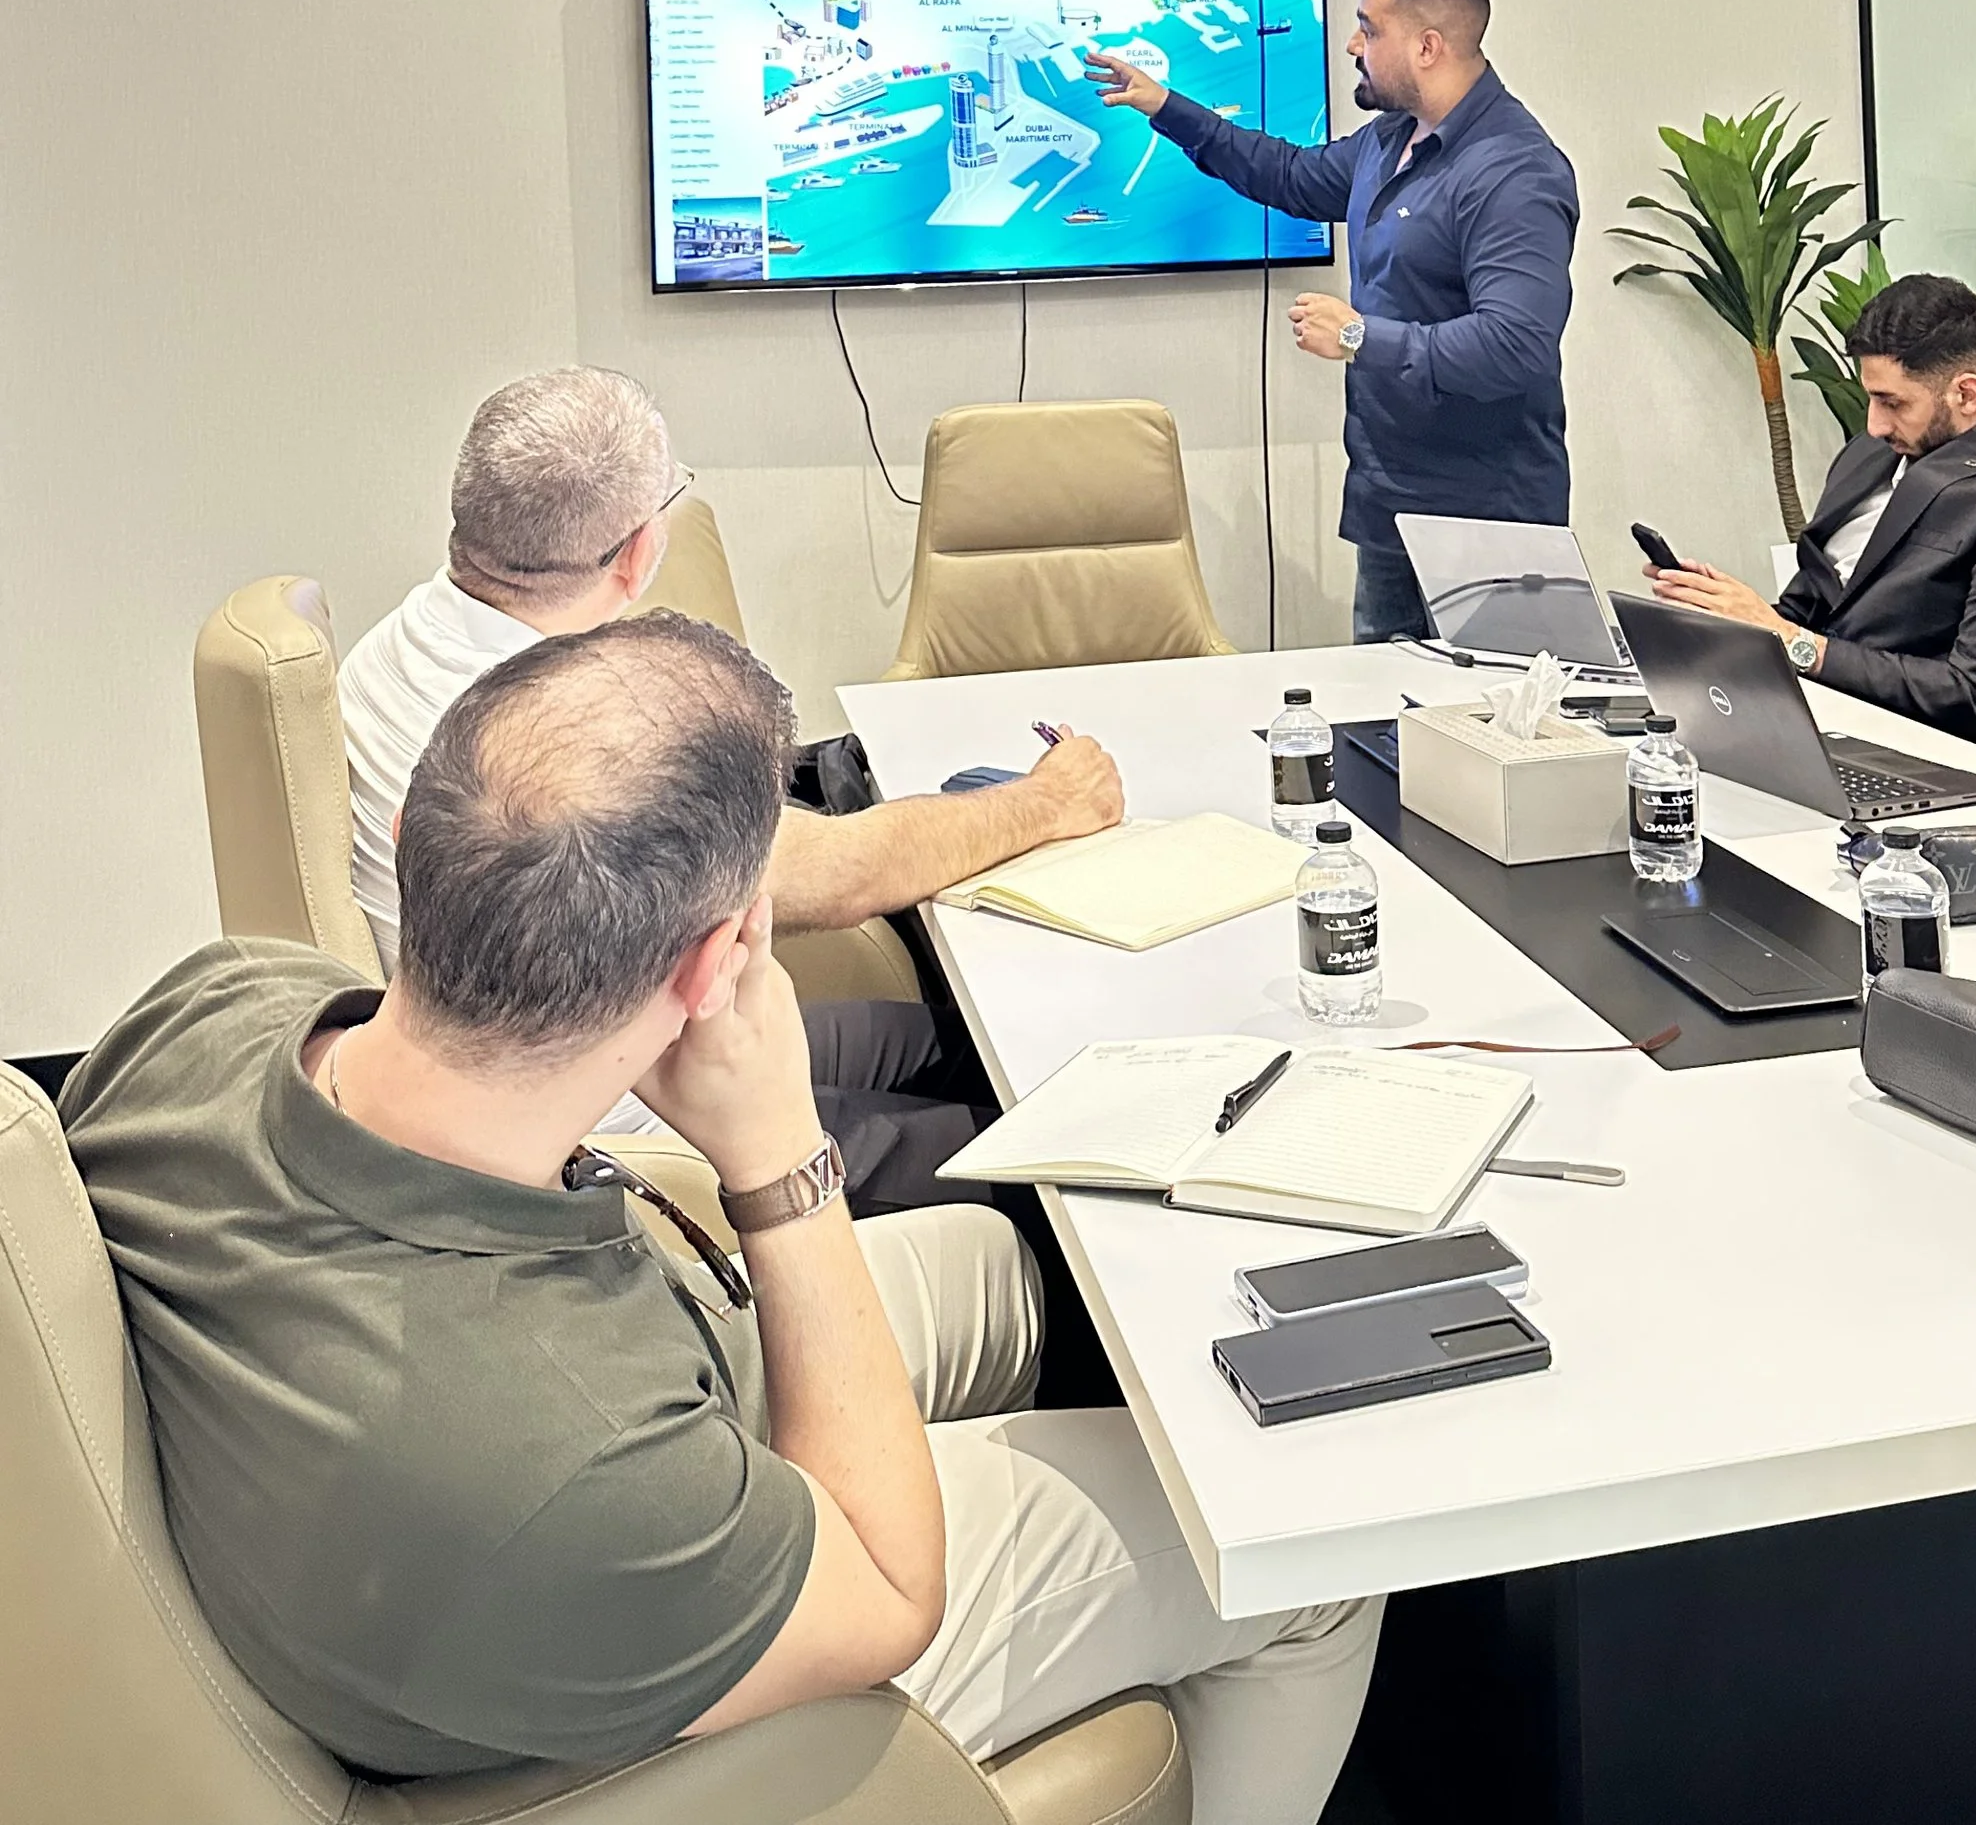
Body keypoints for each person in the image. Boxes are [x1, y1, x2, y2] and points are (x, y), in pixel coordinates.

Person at [63, 613, 1378, 1817]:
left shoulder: (212, 1007)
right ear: (715, 966)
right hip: (642, 1576)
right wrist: (776, 1159)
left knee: (1014, 1258)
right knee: (1307, 1547)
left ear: (414, 845)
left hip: (555, 1443)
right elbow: (891, 1591)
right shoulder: (566, 1468)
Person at [338, 366, 1122, 1211]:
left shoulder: (401, 642)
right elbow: (839, 872)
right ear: (640, 553)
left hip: (584, 1058)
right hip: (642, 1132)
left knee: (961, 1040)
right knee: (1037, 1156)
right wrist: (1048, 802)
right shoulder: (557, 736)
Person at [1086, 0, 1577, 645]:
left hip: (1487, 528)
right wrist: (1168, 107)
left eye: (1368, 30)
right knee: (1385, 733)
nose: (1353, 44)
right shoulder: (1391, 140)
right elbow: (1289, 174)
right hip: (1390, 507)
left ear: (1427, 46)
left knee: (1490, 735)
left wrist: (1360, 337)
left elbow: (1516, 343)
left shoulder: (1514, 171)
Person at [1648, 270, 1976, 743]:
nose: (1873, 425)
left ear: (1967, 394)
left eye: (1892, 402)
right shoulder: (1871, 455)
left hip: (1914, 744)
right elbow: (1807, 608)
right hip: (1804, 710)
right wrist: (1726, 619)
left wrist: (1794, 646)